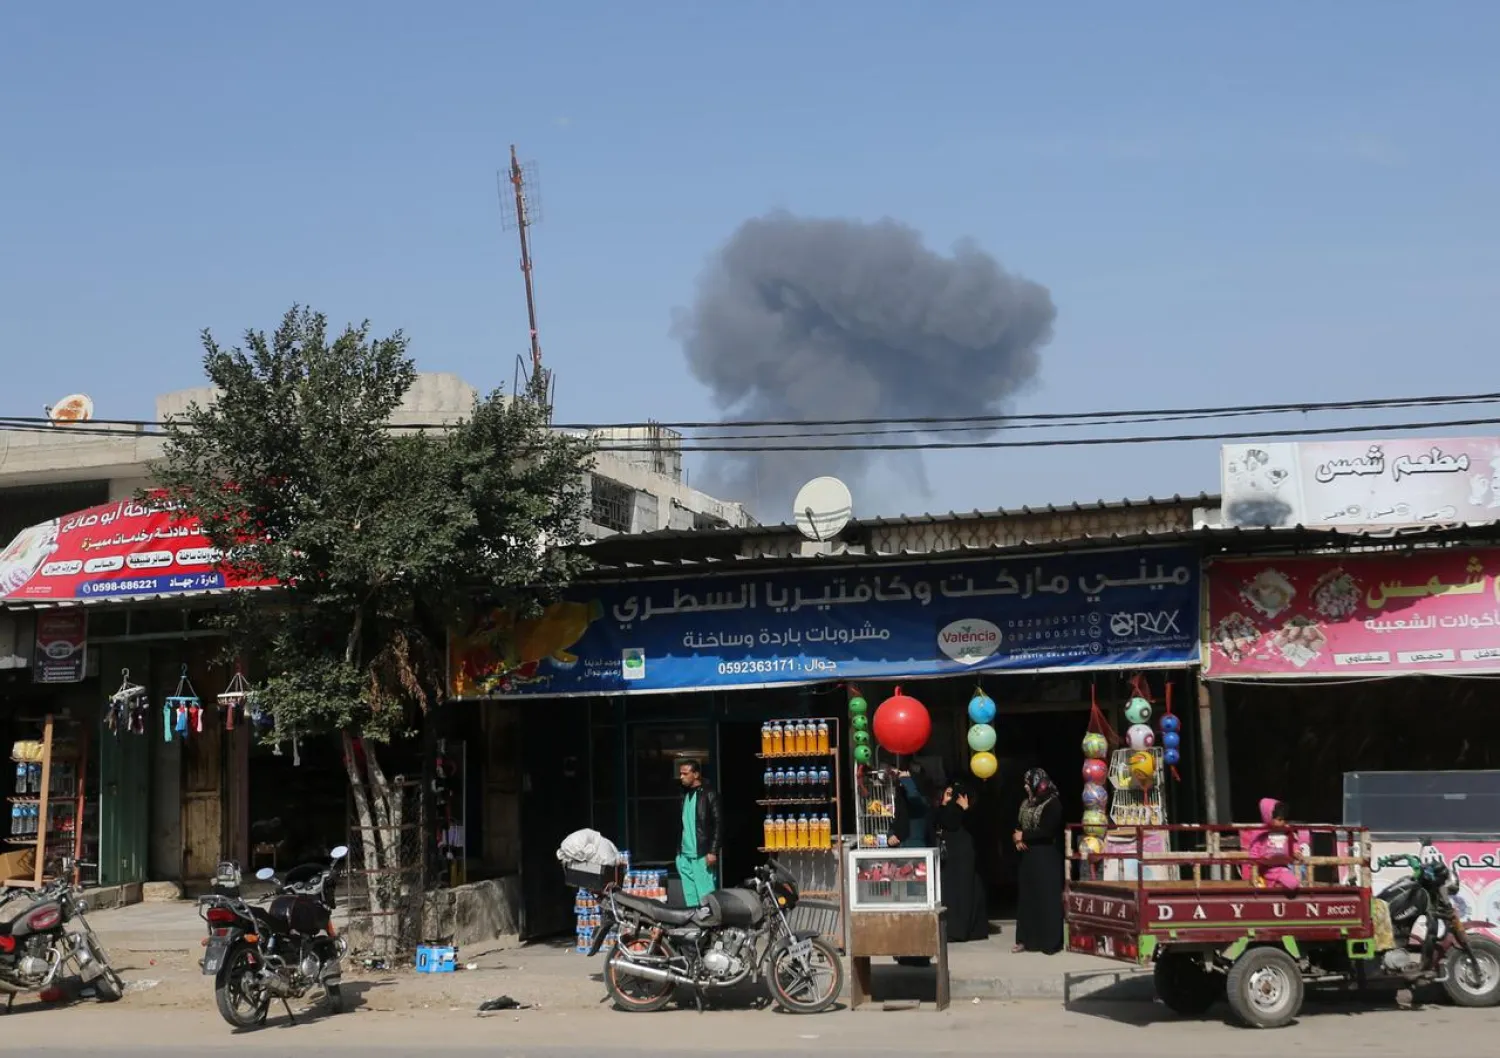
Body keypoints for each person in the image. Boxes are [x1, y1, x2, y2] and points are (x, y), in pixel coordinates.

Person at [1012, 767, 1063, 954]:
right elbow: (1018, 825)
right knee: (1028, 897)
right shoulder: (1026, 803)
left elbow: (1047, 831)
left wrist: (1023, 836)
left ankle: (1049, 942)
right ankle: (1026, 939)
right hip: (1028, 857)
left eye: (1028, 783)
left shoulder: (1053, 803)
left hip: (1045, 857)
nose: (1026, 787)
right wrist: (1016, 839)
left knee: (1046, 897)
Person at [936, 779, 990, 943]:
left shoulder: (970, 809)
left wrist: (967, 809)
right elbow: (942, 821)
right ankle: (952, 928)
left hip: (964, 854)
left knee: (965, 889)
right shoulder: (948, 808)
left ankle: (962, 929)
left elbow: (977, 827)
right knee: (951, 890)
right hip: (951, 855)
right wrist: (944, 803)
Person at [675, 758, 723, 907]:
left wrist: (713, 851)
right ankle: (696, 929)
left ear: (695, 774)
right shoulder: (685, 795)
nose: (681, 777)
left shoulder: (709, 794)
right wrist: (679, 855)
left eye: (685, 773)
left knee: (706, 898)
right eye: (680, 774)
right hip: (685, 856)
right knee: (691, 899)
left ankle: (711, 928)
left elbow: (718, 824)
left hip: (701, 854)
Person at [1241, 798, 1308, 892]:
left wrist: (1297, 852)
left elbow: (1293, 845)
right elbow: (1254, 851)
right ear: (1268, 817)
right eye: (1279, 819)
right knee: (1261, 887)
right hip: (1266, 869)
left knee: (1293, 883)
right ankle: (1269, 884)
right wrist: (1253, 867)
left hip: (1282, 868)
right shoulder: (1261, 834)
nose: (1283, 822)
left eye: (1284, 819)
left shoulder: (1288, 833)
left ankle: (1274, 886)